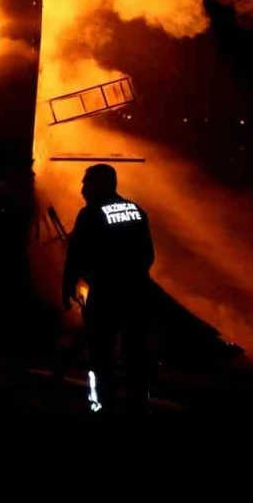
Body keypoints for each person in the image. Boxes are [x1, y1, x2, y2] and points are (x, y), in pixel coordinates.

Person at [62, 163, 154, 414]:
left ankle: (101, 406)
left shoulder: (90, 214)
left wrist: (68, 285)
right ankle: (138, 404)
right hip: (137, 294)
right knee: (136, 355)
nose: (83, 189)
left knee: (100, 355)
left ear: (101, 185)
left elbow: (76, 255)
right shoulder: (136, 210)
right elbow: (148, 254)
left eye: (87, 183)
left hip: (105, 295)